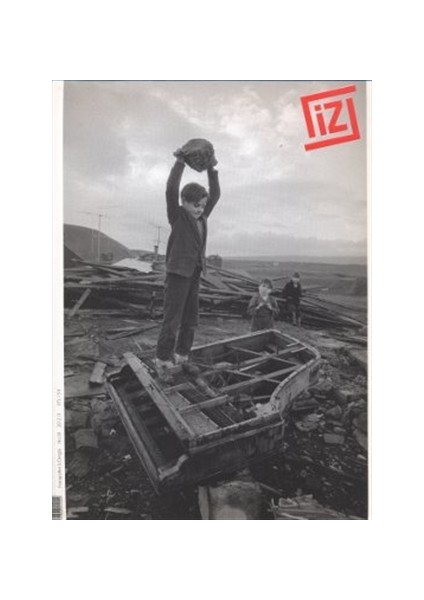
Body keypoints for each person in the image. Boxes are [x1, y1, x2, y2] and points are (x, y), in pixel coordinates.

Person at [155, 147, 220, 376]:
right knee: (172, 318)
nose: (200, 209)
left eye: (202, 205)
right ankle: (163, 357)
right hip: (177, 274)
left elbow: (215, 194)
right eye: (195, 205)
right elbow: (171, 189)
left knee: (191, 317)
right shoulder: (178, 215)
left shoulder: (203, 217)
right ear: (184, 202)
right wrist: (180, 162)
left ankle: (182, 353)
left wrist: (211, 168)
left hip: (194, 272)